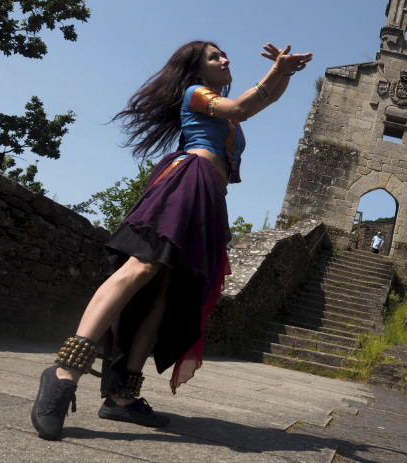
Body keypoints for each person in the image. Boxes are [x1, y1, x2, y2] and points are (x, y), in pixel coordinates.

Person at [31, 40, 312, 441]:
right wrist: (277, 72)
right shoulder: (195, 93)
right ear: (196, 70)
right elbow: (242, 106)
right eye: (215, 56)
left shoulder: (227, 118)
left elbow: (254, 105)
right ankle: (63, 374)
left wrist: (284, 72)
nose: (225, 59)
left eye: (224, 54)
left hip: (207, 199)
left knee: (166, 294)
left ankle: (122, 398)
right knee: (141, 266)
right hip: (186, 181)